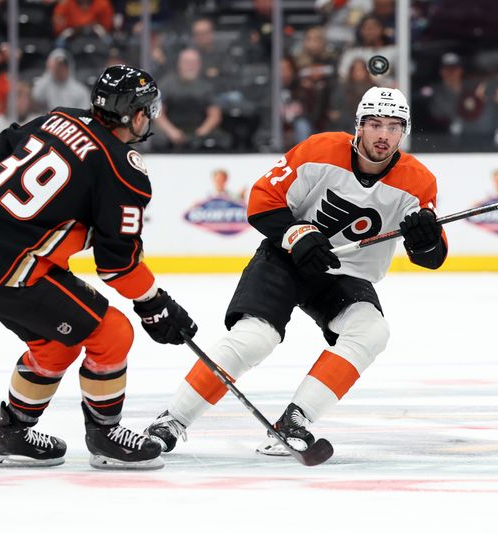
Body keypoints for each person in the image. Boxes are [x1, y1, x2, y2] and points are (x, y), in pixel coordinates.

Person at [145, 87, 448, 457]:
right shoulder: (318, 151)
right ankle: (171, 420)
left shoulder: (418, 181)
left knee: (371, 331)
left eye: (393, 126)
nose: (383, 135)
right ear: (358, 126)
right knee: (254, 338)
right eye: (374, 124)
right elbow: (261, 200)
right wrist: (297, 234)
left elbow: (432, 257)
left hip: (345, 274)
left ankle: (295, 420)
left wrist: (424, 240)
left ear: (405, 131)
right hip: (286, 258)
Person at [0, 65, 198, 470]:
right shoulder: (123, 168)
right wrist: (155, 304)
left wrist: (45, 217)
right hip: (15, 268)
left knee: (56, 340)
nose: (149, 117)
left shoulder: (58, 116)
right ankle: (105, 434)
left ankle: (12, 432)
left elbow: (6, 141)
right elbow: (118, 265)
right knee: (112, 332)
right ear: (135, 115)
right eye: (147, 110)